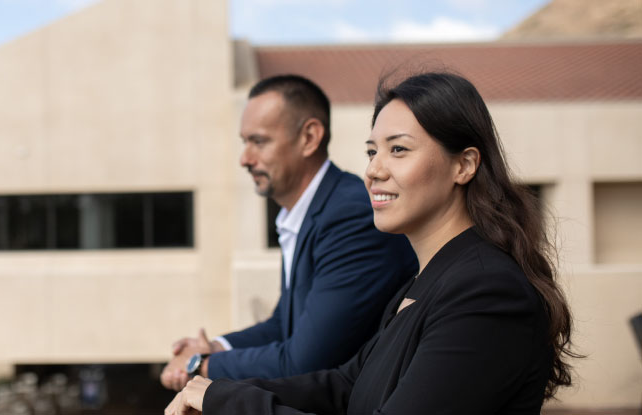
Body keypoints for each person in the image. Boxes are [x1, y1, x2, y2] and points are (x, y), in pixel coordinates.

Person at [165, 71, 577, 414]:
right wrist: (210, 390)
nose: (373, 171)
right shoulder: (423, 283)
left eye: (398, 150)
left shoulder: (487, 291)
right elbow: (345, 385)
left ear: (464, 165)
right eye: (371, 151)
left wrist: (227, 398)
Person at [159, 75, 417, 390]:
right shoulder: (305, 214)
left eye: (259, 141)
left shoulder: (350, 215)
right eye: (244, 142)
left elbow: (304, 361)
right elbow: (284, 324)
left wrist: (199, 365)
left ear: (309, 137)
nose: (245, 159)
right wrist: (215, 347)